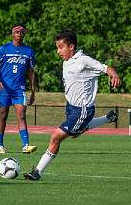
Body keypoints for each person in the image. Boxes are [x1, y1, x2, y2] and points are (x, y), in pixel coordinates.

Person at [24, 29, 121, 180]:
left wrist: (113, 74)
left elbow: (105, 68)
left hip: (83, 110)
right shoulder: (66, 62)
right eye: (57, 47)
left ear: (71, 47)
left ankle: (37, 172)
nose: (58, 51)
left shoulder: (83, 60)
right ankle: (108, 118)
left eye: (60, 47)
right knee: (75, 133)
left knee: (56, 136)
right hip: (71, 107)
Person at [0, 23, 37, 154]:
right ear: (12, 34)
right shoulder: (4, 49)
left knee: (21, 115)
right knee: (3, 115)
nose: (19, 34)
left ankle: (26, 145)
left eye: (22, 32)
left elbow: (31, 72)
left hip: (19, 89)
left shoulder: (28, 51)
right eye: (17, 32)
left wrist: (33, 91)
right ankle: (0, 145)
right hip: (4, 88)